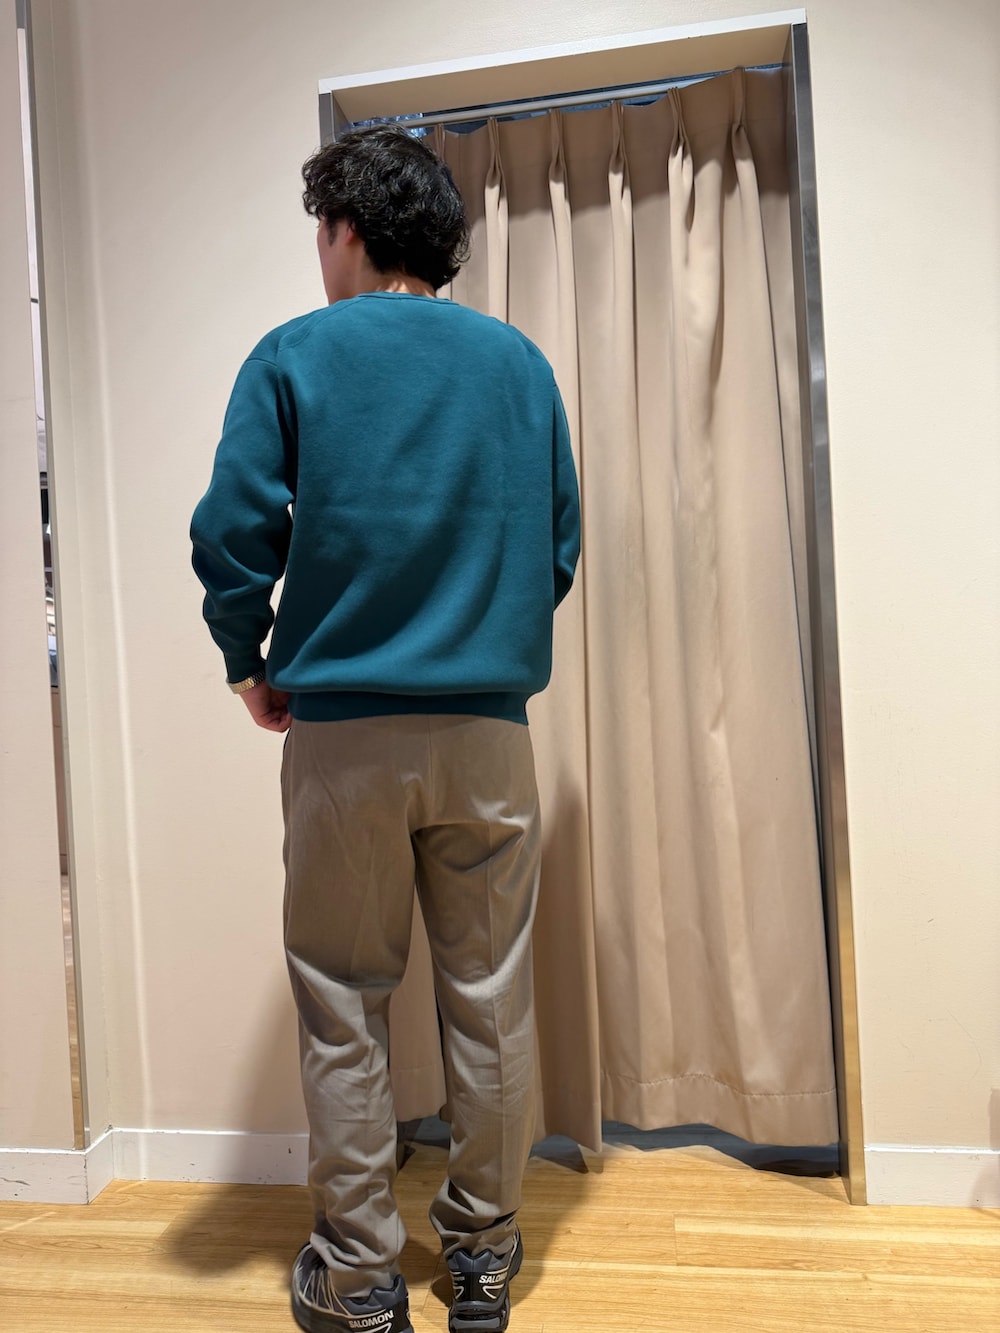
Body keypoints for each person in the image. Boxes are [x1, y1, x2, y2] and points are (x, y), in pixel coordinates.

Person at [191, 125, 580, 1333]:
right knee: (490, 995)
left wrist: (247, 661)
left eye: (321, 233)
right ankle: (483, 1257)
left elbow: (230, 533)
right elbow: (557, 547)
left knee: (344, 997)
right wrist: (477, 635)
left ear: (345, 230)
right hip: (488, 738)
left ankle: (360, 1279)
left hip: (346, 736)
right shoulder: (518, 364)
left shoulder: (294, 355)